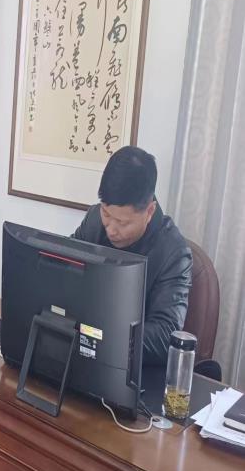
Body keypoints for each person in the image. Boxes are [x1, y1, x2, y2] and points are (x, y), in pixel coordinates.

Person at [73, 145, 192, 366]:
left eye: (123, 222)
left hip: (131, 369)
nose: (111, 229)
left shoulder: (174, 253)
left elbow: (165, 335)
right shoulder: (94, 221)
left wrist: (104, 333)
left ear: (149, 211)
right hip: (83, 356)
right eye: (106, 213)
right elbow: (63, 271)